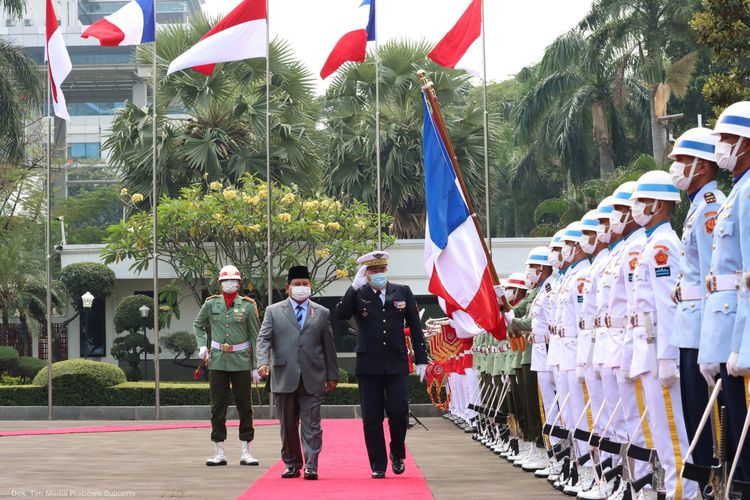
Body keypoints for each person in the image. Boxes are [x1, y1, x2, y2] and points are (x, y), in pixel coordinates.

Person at [629, 170, 697, 499]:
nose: (635, 208)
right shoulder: (652, 243)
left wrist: (668, 356)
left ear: (658, 204)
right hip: (649, 346)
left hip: (660, 349)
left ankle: (683, 492)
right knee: (661, 432)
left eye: (641, 201)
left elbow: (669, 305)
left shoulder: (663, 246)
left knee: (672, 431)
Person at [335, 251, 428, 479]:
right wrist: (352, 288)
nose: (378, 274)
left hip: (396, 362)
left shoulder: (402, 291)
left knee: (398, 412)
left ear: (387, 270)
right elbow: (341, 314)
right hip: (369, 364)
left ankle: (397, 453)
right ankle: (377, 464)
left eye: (381, 269)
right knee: (372, 417)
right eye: (373, 270)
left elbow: (415, 327)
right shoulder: (359, 293)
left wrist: (421, 359)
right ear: (365, 273)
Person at [666, 127, 724, 483]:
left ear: (701, 166)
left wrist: (712, 341)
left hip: (702, 328)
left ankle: (710, 484)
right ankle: (702, 483)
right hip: (688, 327)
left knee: (707, 421)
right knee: (693, 417)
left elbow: (711, 279)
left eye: (682, 161)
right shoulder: (696, 209)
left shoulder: (709, 209)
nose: (677, 168)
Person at [702, 101, 750, 484]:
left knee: (743, 432)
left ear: (746, 143)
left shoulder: (747, 195)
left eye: (727, 139)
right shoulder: (737, 192)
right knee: (732, 429)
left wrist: (743, 345)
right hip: (727, 326)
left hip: (741, 330)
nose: (721, 146)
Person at [256, 265, 339, 480]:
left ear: (310, 286)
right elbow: (263, 339)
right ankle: (292, 463)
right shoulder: (273, 311)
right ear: (288, 288)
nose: (301, 288)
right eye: (297, 284)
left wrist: (332, 375)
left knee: (312, 424)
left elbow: (329, 346)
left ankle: (311, 465)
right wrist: (263, 363)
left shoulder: (322, 312)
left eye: (305, 284)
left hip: (313, 376)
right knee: (288, 425)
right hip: (283, 376)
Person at [193, 264, 261, 467]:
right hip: (218, 361)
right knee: (218, 407)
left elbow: (255, 337)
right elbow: (198, 324)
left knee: (245, 407)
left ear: (239, 283)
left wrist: (256, 366)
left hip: (240, 361)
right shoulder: (211, 304)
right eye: (225, 281)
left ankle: (246, 450)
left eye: (233, 281)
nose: (229, 284)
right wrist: (202, 346)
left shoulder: (248, 306)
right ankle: (218, 450)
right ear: (220, 283)